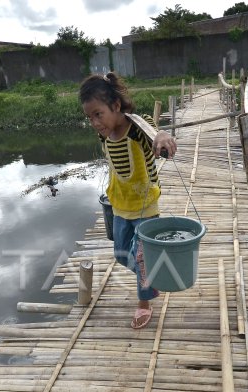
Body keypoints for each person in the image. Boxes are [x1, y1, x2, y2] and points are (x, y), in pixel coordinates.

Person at [79, 72, 177, 329]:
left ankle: (144, 303)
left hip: (145, 207)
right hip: (120, 206)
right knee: (123, 255)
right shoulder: (105, 134)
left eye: (98, 114)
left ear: (116, 106)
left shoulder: (137, 126)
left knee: (142, 259)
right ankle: (152, 275)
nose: (94, 122)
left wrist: (163, 136)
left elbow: (157, 133)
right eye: (89, 117)